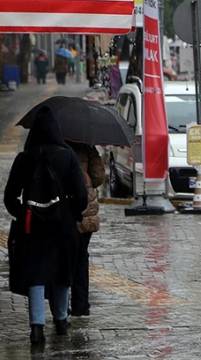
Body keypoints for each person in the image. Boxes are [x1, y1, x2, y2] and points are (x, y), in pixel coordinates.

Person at [4, 107, 87, 345]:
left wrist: (24, 213)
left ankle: (37, 327)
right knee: (62, 272)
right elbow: (81, 196)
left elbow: (10, 197)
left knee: (36, 275)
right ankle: (61, 320)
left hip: (32, 228)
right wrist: (70, 213)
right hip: (63, 226)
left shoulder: (24, 158)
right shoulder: (68, 156)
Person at [67, 141, 105, 317]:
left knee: (63, 257)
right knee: (81, 256)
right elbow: (99, 177)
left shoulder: (57, 146)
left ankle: (60, 307)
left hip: (65, 208)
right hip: (86, 209)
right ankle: (80, 305)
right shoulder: (87, 147)